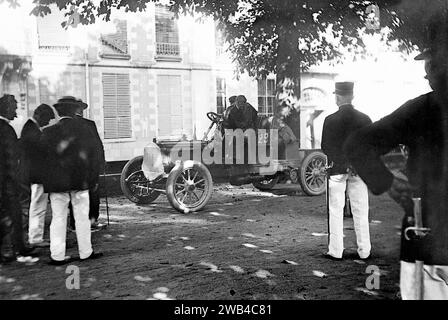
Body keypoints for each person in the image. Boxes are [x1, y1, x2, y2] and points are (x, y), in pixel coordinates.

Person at [344, 48, 448, 299]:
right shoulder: (421, 109)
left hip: (428, 238)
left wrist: (387, 182)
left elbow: (357, 144)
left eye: (431, 70)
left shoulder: (421, 110)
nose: (429, 77)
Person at [40, 97, 103, 265]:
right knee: (82, 217)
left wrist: (47, 184)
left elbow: (42, 161)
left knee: (58, 218)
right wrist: (94, 178)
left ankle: (57, 255)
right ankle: (85, 252)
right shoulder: (86, 129)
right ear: (75, 110)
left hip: (57, 184)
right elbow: (95, 156)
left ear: (59, 112)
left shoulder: (47, 132)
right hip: (81, 182)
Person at [321, 82, 372, 261]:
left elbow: (326, 147)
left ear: (338, 97)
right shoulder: (364, 119)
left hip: (337, 169)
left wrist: (344, 161)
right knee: (361, 210)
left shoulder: (330, 120)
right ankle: (364, 251)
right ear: (352, 96)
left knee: (335, 210)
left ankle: (336, 251)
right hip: (359, 170)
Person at [0, 95, 34, 263]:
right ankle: (11, 250)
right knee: (10, 216)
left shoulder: (6, 128)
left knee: (14, 216)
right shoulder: (4, 129)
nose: (15, 111)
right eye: (13, 107)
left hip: (8, 183)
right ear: (5, 108)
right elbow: (8, 160)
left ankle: (18, 248)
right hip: (7, 184)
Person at [20, 104, 55, 248]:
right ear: (39, 115)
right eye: (47, 118)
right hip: (36, 174)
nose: (47, 122)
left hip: (35, 173)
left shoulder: (30, 128)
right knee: (38, 205)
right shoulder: (31, 129)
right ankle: (35, 238)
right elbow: (38, 153)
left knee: (37, 205)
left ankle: (35, 236)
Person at [67, 98, 105, 231]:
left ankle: (74, 223)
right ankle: (92, 220)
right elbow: (98, 146)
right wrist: (101, 162)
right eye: (79, 108)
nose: (81, 110)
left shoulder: (65, 124)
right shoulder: (89, 124)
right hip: (89, 166)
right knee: (93, 193)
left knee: (75, 195)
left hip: (73, 167)